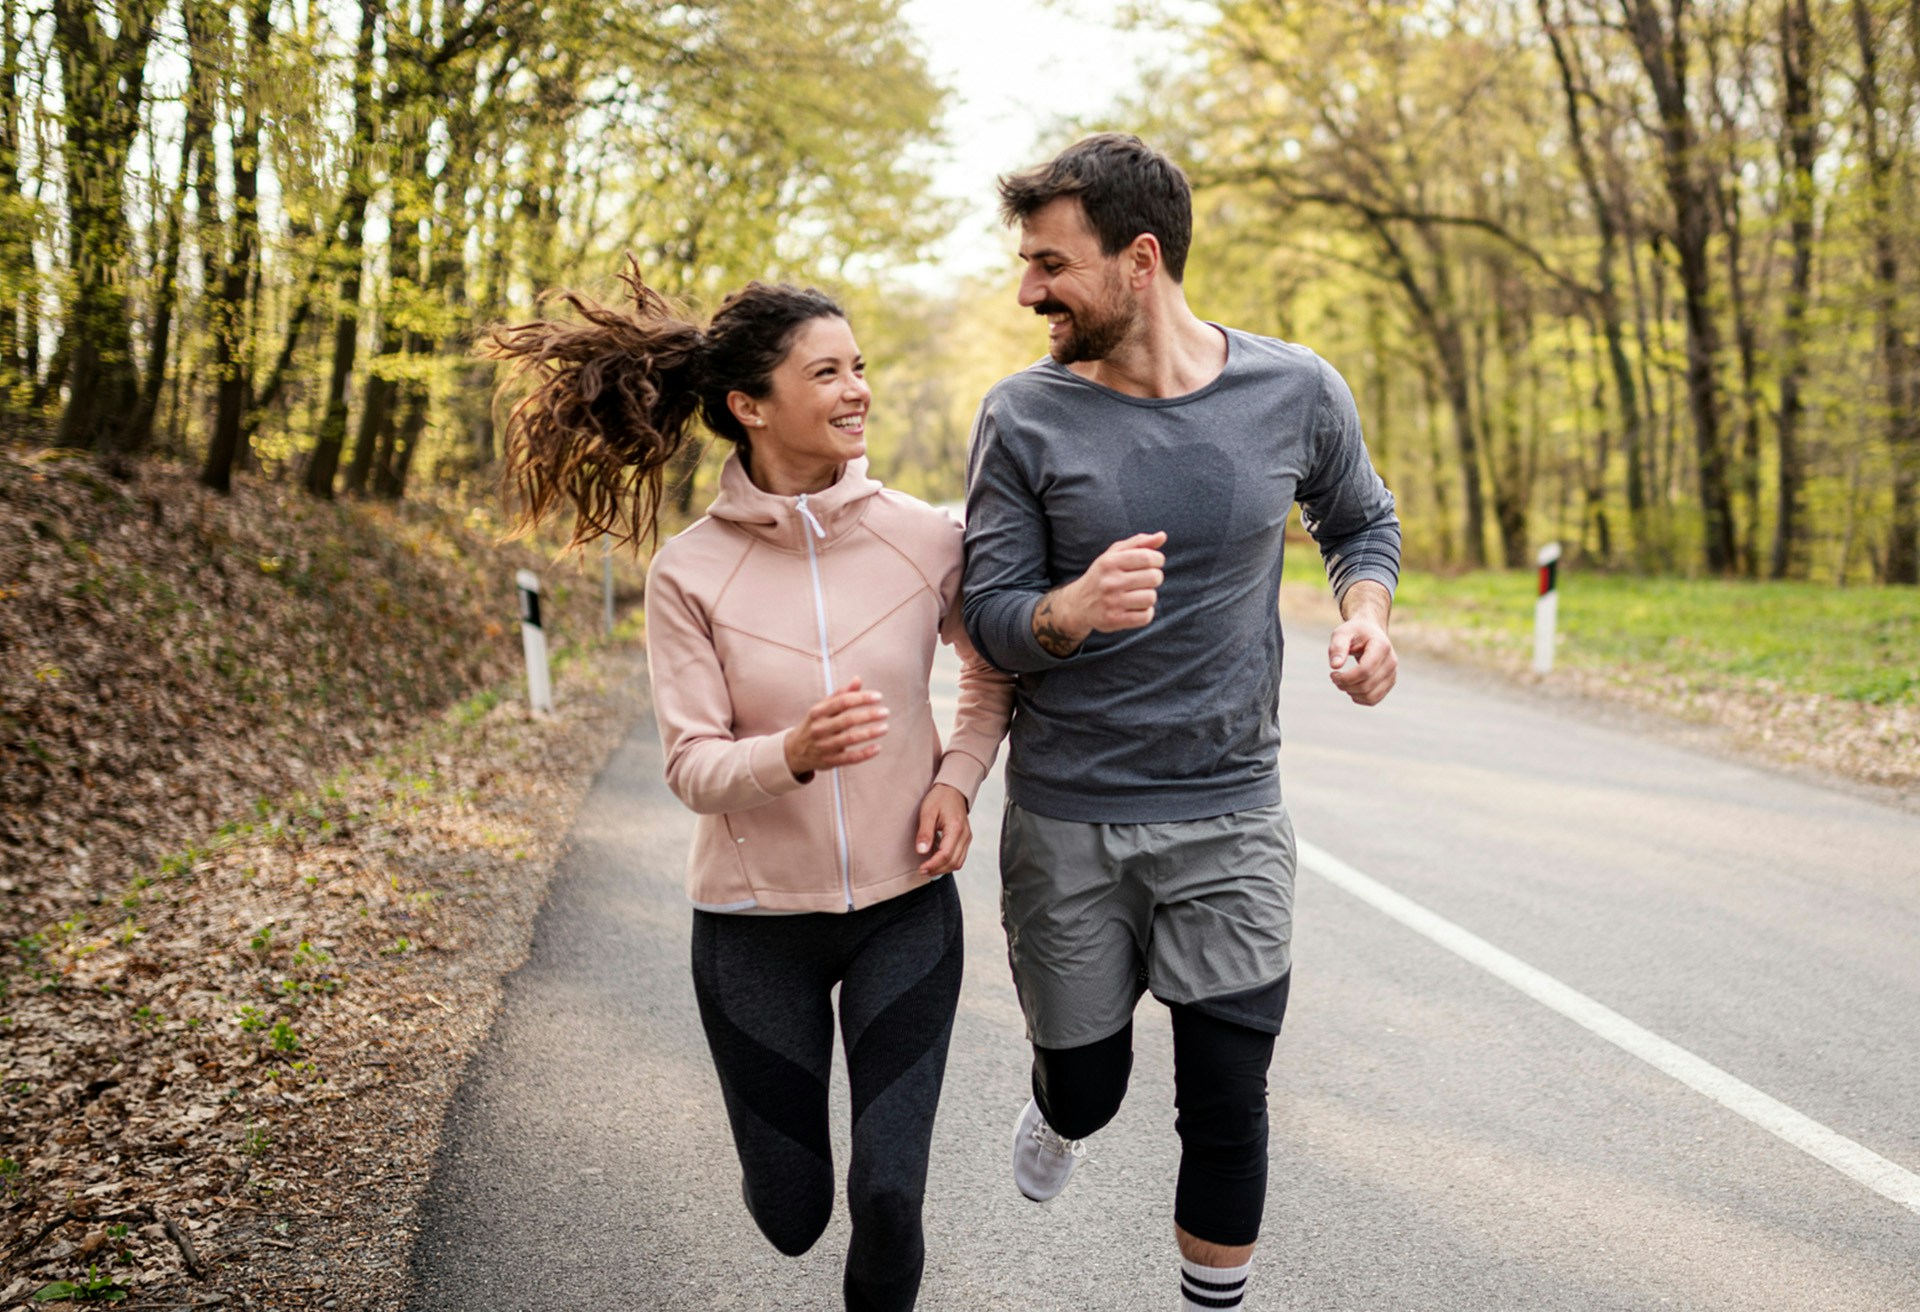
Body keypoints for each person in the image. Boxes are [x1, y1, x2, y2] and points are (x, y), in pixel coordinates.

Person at [486, 263, 1012, 1312]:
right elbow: (691, 765)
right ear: (750, 405)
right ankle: (783, 1182)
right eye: (828, 372)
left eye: (859, 366)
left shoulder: (923, 539)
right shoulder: (689, 571)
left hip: (906, 909)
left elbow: (991, 670)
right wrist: (794, 753)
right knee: (792, 1213)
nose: (858, 388)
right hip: (752, 926)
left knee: (892, 1192)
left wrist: (955, 778)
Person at [961, 134, 1402, 1311]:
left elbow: (1361, 520)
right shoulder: (1022, 417)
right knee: (1093, 1087)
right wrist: (1069, 610)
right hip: (1070, 820)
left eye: (1051, 264)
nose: (1028, 291)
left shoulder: (1294, 389)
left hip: (1230, 810)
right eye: (1026, 265)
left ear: (1140, 258)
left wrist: (1368, 615)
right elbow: (989, 617)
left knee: (1226, 1101)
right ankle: (1060, 1110)